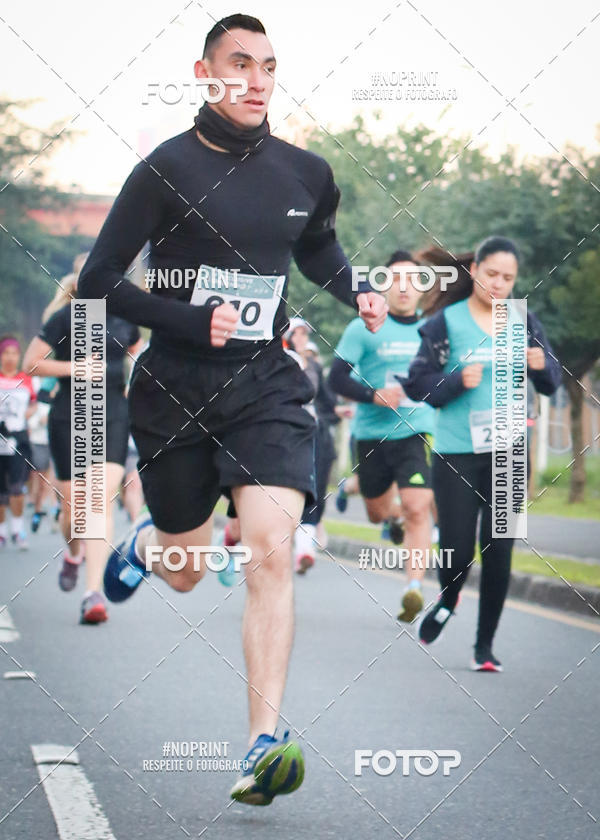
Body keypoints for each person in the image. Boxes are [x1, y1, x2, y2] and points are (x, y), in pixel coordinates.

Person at [78, 13, 386, 806]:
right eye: (240, 64)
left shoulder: (306, 171)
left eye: (269, 66)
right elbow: (99, 278)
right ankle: (154, 542)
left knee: (270, 550)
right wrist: (185, 317)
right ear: (205, 73)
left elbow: (315, 245)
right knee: (185, 572)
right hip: (175, 387)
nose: (256, 80)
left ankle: (261, 742)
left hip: (266, 384)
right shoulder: (163, 170)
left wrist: (358, 290)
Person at [404, 237, 561, 671]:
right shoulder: (445, 323)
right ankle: (448, 599)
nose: (499, 284)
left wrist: (541, 365)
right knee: (455, 550)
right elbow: (418, 384)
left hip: (510, 453)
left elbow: (553, 383)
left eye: (508, 278)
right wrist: (455, 380)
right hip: (457, 452)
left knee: (499, 551)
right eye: (492, 274)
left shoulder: (521, 320)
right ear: (474, 269)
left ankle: (484, 647)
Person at [23, 254, 143, 624]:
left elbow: (139, 358)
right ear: (77, 282)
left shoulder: (126, 320)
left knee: (99, 501)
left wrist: (139, 387)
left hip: (112, 413)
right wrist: (75, 368)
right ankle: (74, 552)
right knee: (74, 508)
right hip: (69, 415)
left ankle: (94, 594)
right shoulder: (65, 318)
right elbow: (32, 362)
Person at [329, 250, 436, 622]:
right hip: (372, 434)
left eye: (412, 281)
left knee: (419, 507)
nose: (403, 289)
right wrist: (372, 394)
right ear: (384, 286)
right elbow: (336, 378)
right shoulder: (363, 327)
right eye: (395, 281)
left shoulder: (434, 329)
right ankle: (391, 520)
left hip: (416, 430)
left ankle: (414, 589)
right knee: (377, 514)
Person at [285, 318, 339, 573]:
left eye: (306, 333)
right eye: (298, 333)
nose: (303, 337)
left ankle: (304, 550)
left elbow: (326, 400)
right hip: (283, 434)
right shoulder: (277, 362)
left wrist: (338, 411)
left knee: (313, 487)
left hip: (313, 434)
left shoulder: (315, 366)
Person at [0, 337, 36, 549]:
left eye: (14, 353)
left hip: (18, 440)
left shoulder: (26, 380)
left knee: (16, 486)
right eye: (6, 353)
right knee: (1, 490)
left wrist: (24, 417)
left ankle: (17, 529)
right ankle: (2, 532)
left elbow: (33, 405)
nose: (10, 357)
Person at [28, 377, 57, 532]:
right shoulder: (41, 397)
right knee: (41, 483)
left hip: (56, 443)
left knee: (52, 482)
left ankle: (54, 514)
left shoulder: (63, 400)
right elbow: (33, 420)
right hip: (40, 443)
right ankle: (38, 511)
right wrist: (42, 420)